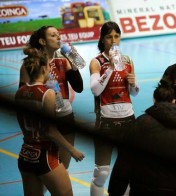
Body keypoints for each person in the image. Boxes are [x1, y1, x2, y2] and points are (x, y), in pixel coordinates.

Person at [15, 46, 84, 196]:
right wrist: (72, 150)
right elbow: (50, 130)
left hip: (26, 153)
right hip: (45, 154)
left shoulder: (19, 93)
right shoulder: (47, 94)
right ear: (45, 68)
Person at [19, 25, 84, 171]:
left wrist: (74, 64)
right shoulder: (31, 64)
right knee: (46, 169)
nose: (59, 37)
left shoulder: (63, 60)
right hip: (42, 121)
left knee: (62, 169)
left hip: (65, 117)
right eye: (53, 35)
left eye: (59, 34)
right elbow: (22, 95)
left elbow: (79, 88)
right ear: (42, 41)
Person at [89, 21, 139, 196]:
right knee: (101, 172)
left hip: (128, 119)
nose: (113, 40)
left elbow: (134, 93)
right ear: (103, 39)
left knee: (127, 170)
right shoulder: (97, 62)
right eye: (109, 37)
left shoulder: (128, 60)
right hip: (106, 122)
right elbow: (95, 89)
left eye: (116, 36)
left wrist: (133, 84)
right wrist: (110, 67)